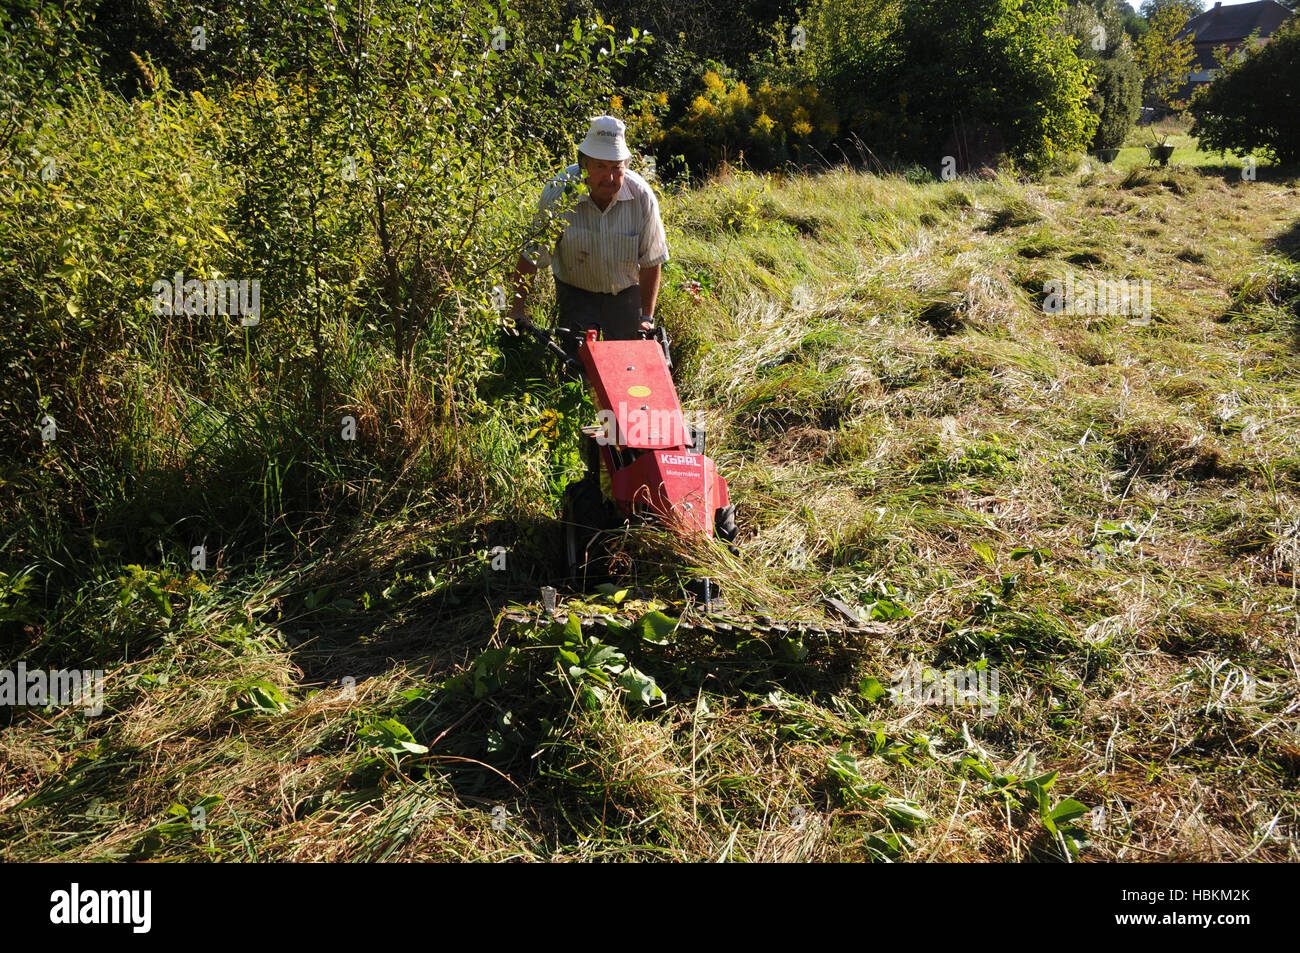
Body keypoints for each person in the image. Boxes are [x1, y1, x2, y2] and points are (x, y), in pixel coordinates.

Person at [509, 115, 669, 345]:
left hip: (625, 294)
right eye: (600, 166)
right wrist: (517, 309)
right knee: (577, 365)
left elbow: (652, 260)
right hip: (576, 292)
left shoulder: (642, 198)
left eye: (617, 167)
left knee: (626, 367)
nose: (610, 177)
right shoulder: (558, 194)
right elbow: (532, 255)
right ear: (584, 165)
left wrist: (646, 317)